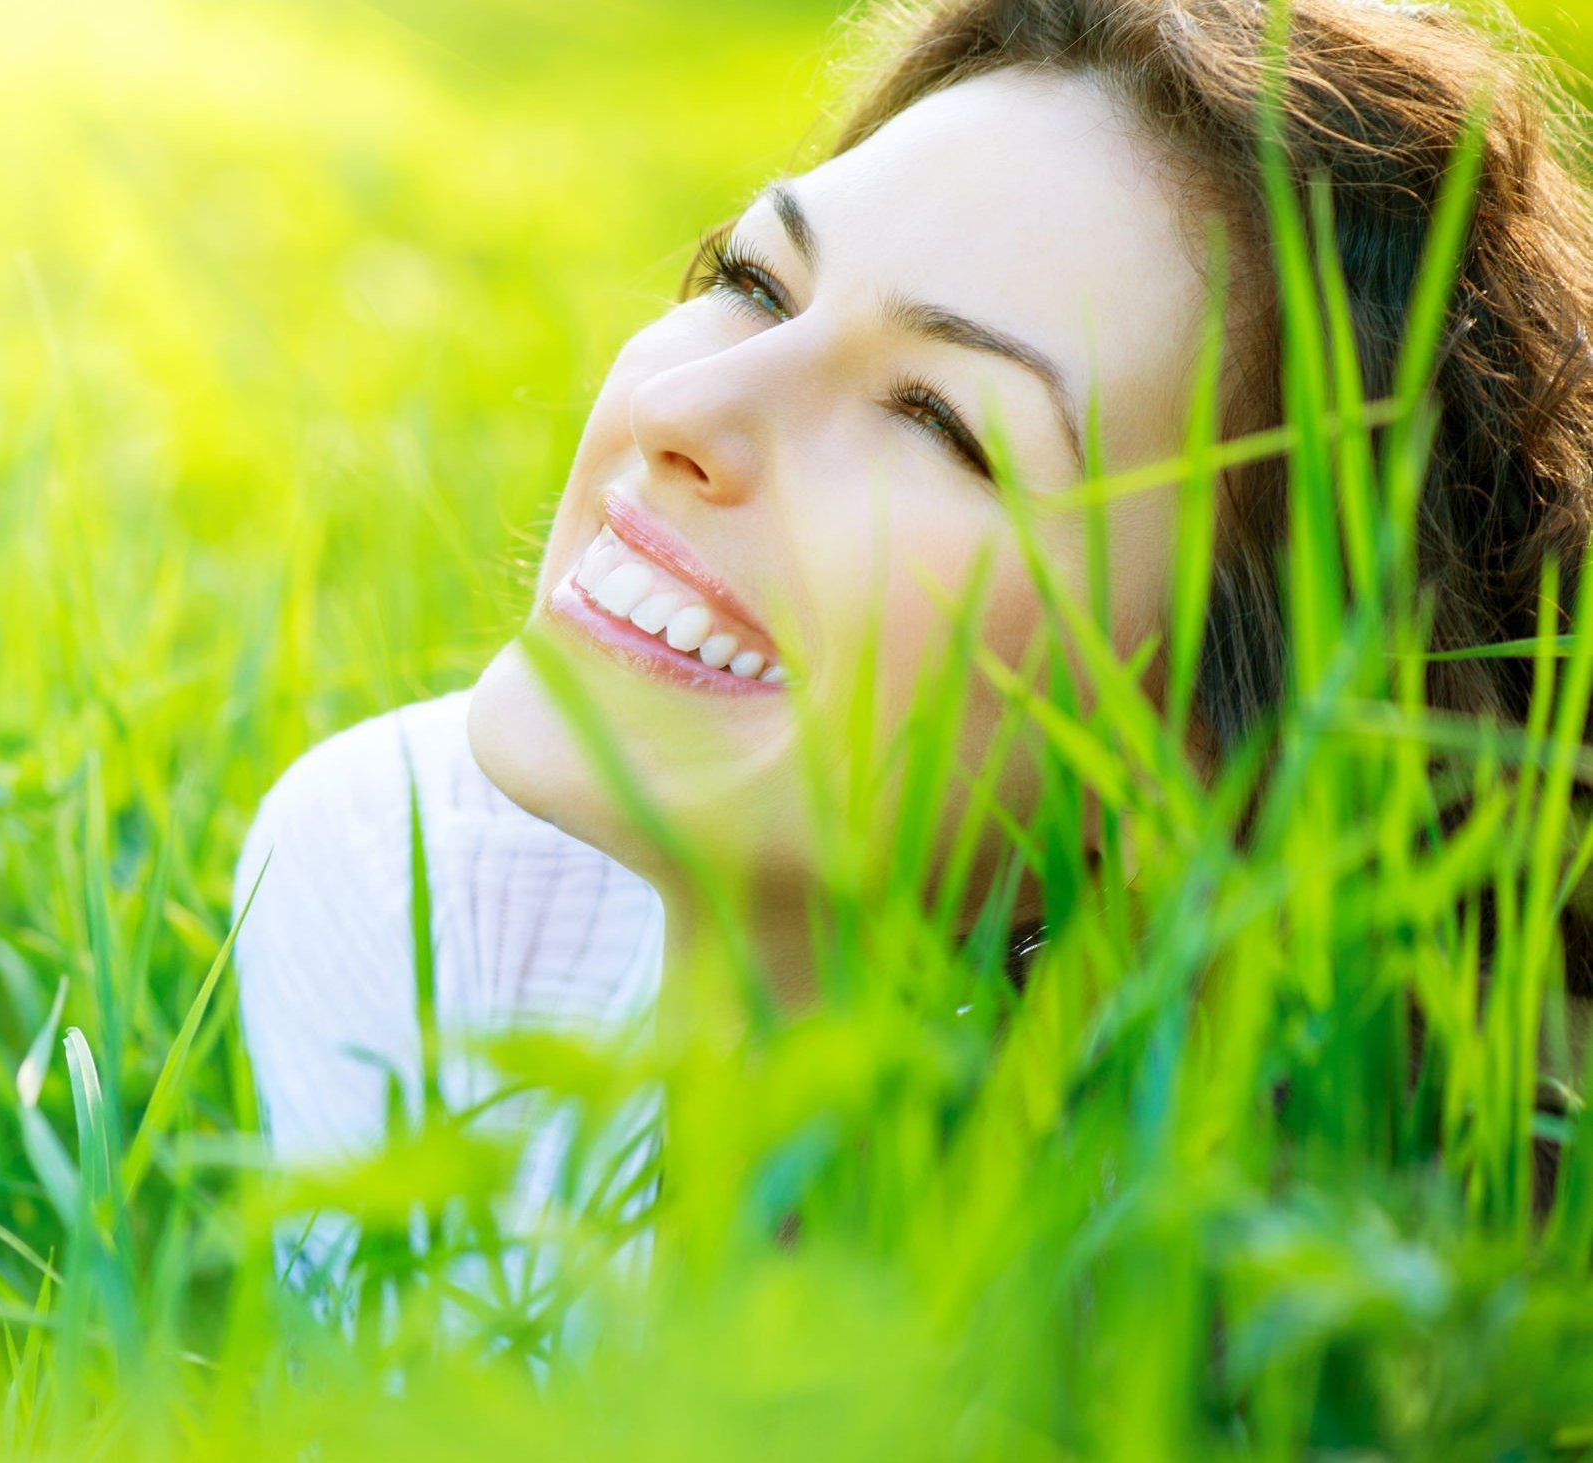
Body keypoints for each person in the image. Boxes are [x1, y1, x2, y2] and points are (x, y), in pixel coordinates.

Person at [233, 0, 1593, 1291]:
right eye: (759, 286)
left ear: (1204, 748)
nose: (683, 408)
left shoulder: (1340, 1301)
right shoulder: (401, 883)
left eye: (936, 421)